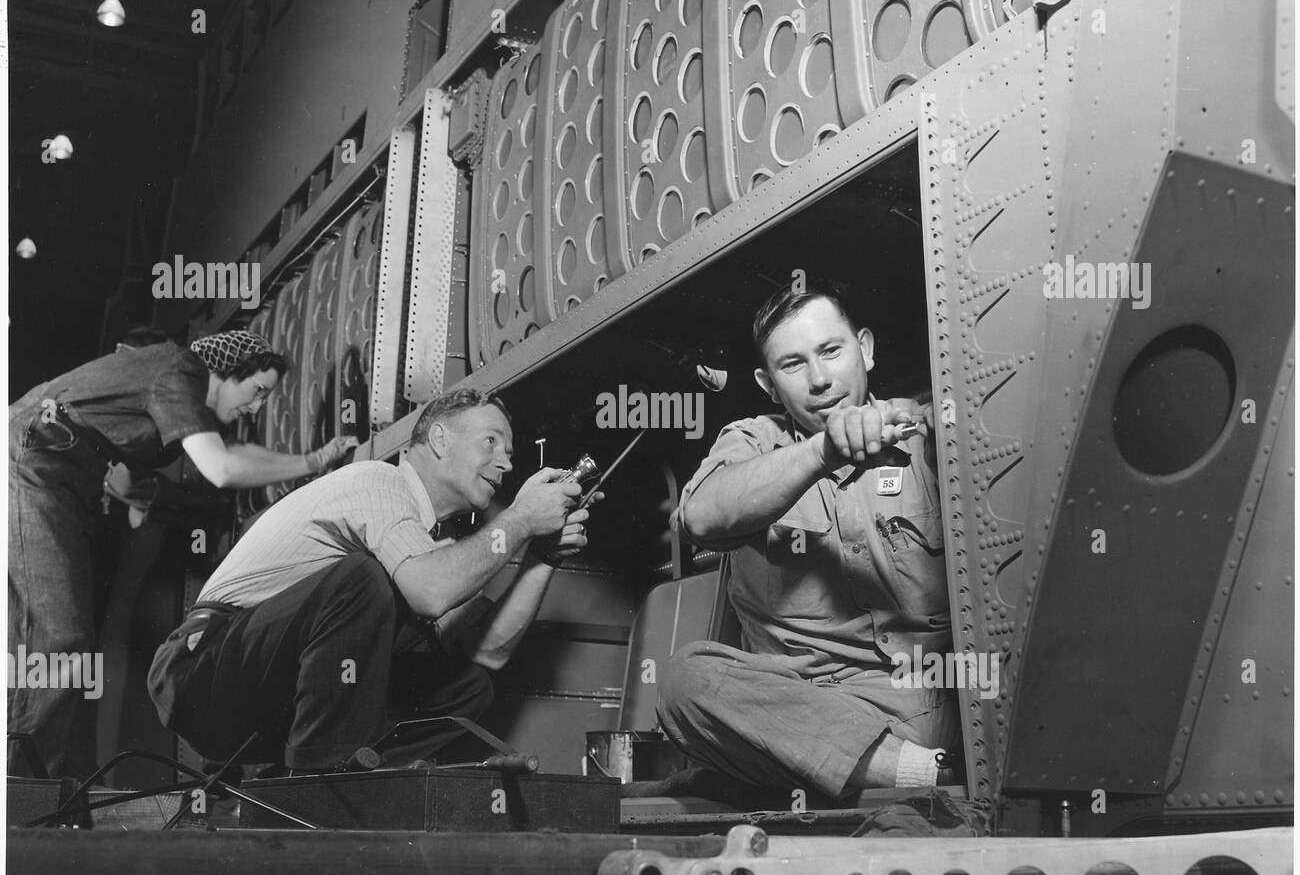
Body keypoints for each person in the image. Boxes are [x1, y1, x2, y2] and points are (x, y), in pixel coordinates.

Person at [147, 388, 595, 774]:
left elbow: (491, 651)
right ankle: (326, 784)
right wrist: (520, 517)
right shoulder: (379, 482)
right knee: (363, 578)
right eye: (491, 442)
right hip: (200, 671)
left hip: (265, 699)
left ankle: (327, 775)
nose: (504, 464)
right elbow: (432, 592)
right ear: (439, 439)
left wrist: (542, 554)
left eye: (510, 454)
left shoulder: (426, 546)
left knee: (468, 685)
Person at [656, 283, 961, 802]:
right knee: (686, 681)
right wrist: (825, 449)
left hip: (915, 706)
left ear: (864, 348)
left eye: (831, 351)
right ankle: (919, 777)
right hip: (791, 707)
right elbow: (702, 519)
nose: (820, 380)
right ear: (768, 384)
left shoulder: (926, 433)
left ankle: (817, 772)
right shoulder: (753, 442)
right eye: (793, 365)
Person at [8, 329, 357, 777]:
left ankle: (59, 799)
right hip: (33, 466)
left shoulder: (173, 385)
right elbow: (222, 466)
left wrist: (315, 460)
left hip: (56, 478)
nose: (255, 407)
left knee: (69, 647)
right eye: (256, 392)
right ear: (229, 370)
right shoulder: (180, 370)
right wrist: (312, 465)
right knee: (58, 641)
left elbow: (218, 457)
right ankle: (20, 799)